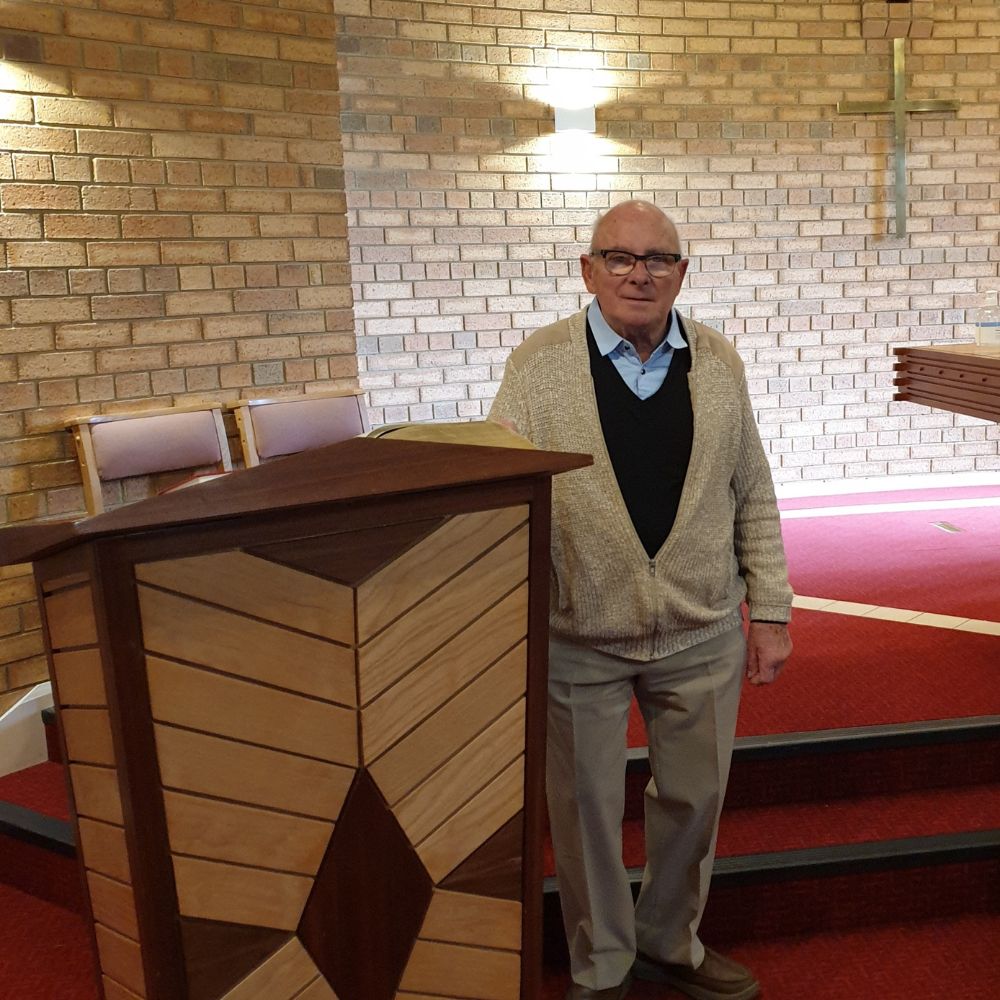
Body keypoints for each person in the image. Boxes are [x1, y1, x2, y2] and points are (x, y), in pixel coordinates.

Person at [489, 200, 793, 1000]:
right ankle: (603, 964)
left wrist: (770, 609)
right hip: (577, 631)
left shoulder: (718, 361)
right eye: (620, 257)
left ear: (681, 273)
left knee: (695, 798)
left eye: (658, 259)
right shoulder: (539, 363)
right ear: (587, 270)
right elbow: (505, 495)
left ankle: (669, 940)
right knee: (585, 810)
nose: (639, 272)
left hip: (699, 628)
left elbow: (752, 491)